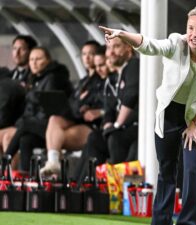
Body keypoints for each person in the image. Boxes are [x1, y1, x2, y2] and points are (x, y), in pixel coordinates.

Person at [99, 6, 196, 225]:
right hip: (169, 114)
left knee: (191, 170)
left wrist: (195, 124)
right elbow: (149, 44)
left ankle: (189, 222)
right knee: (166, 171)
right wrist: (121, 34)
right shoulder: (176, 43)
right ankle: (161, 221)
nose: (194, 34)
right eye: (190, 28)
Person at [73, 37, 140, 184]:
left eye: (116, 47)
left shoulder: (134, 65)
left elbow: (131, 96)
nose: (111, 52)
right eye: (109, 48)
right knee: (95, 138)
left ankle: (117, 189)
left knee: (114, 137)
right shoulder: (119, 73)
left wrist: (116, 125)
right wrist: (109, 123)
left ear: (128, 49)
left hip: (139, 128)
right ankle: (82, 185)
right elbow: (111, 106)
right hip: (125, 128)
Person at [39, 41, 107, 177]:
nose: (87, 58)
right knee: (55, 124)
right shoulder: (83, 81)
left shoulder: (103, 79)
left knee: (55, 136)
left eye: (91, 54)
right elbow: (73, 104)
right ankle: (54, 164)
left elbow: (98, 104)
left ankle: (54, 165)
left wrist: (91, 109)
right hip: (77, 120)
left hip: (92, 125)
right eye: (84, 54)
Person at [4, 47, 73, 173]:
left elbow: (48, 108)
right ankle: (26, 174)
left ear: (48, 60)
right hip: (41, 125)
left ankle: (4, 162)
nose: (34, 63)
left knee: (25, 124)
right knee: (25, 140)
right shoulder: (36, 78)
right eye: (31, 60)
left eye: (38, 59)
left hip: (53, 126)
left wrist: (26, 122)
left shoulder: (53, 78)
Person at [0, 35, 37, 153]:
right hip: (5, 121)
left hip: (21, 123)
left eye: (22, 49)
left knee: (8, 138)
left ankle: (11, 171)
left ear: (31, 52)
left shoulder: (36, 77)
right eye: (14, 49)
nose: (17, 53)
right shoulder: (6, 76)